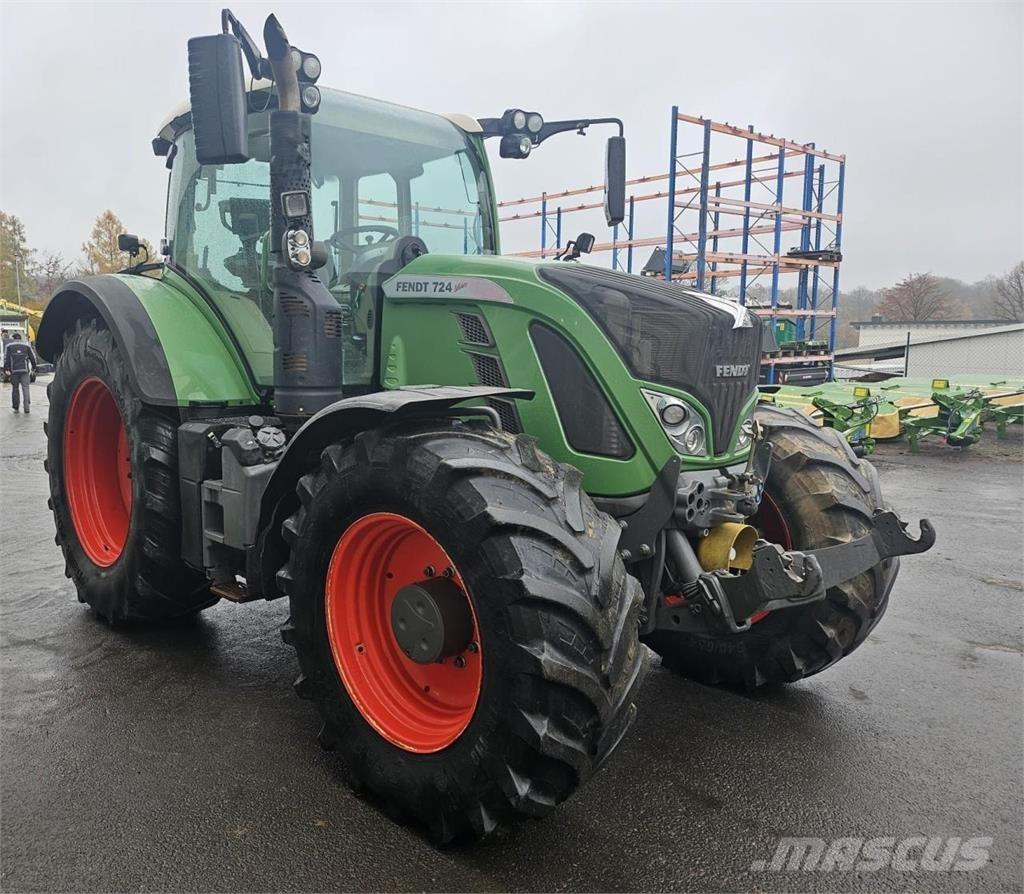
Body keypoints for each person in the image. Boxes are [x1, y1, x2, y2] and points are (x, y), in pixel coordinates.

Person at [4, 331, 38, 413]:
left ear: (13, 339)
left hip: (14, 371)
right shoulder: (26, 346)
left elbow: (6, 358)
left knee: (15, 389)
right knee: (26, 388)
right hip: (24, 371)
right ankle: (27, 408)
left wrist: (6, 369)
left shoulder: (9, 346)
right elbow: (33, 358)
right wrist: (34, 367)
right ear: (20, 338)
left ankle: (16, 407)